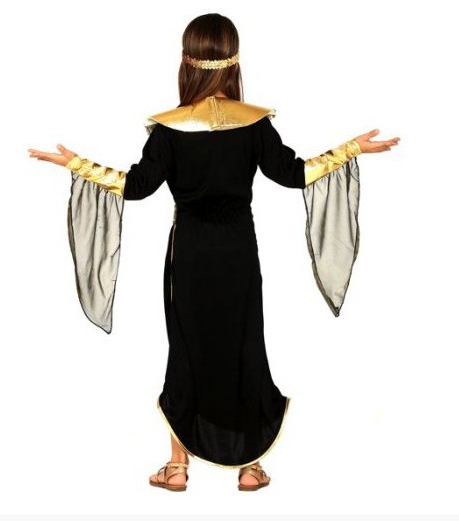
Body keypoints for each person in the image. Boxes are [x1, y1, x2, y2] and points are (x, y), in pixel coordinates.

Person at [28, 13, 400, 492]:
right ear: (235, 63)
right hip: (239, 253)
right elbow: (294, 174)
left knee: (187, 350)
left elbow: (135, 187)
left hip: (191, 255)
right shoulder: (254, 125)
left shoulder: (168, 129)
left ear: (186, 62)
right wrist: (351, 149)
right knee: (244, 347)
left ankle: (177, 466)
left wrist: (75, 164)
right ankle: (250, 467)